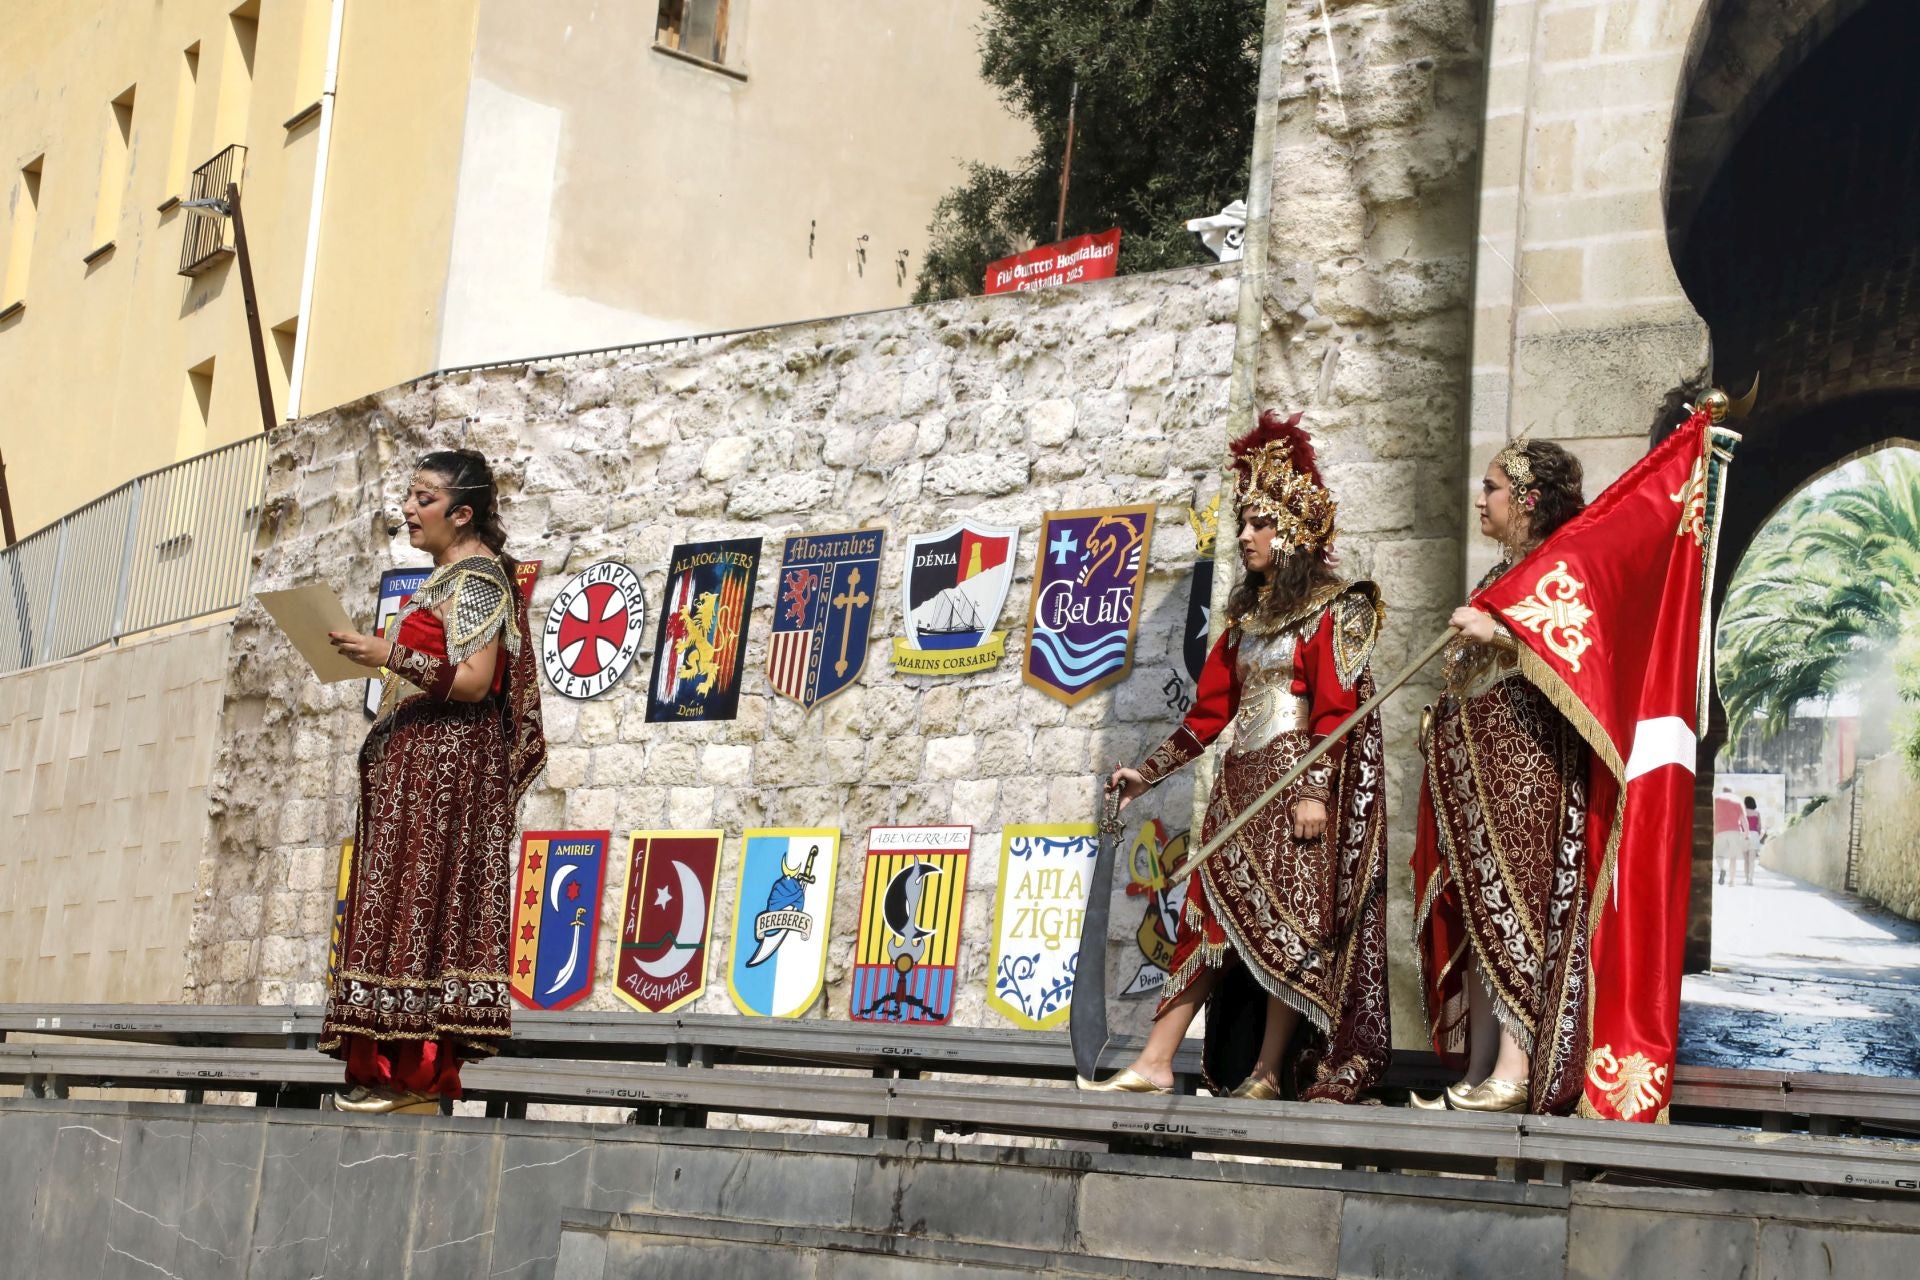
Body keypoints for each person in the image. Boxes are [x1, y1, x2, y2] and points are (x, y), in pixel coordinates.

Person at [1092, 410, 1390, 1102]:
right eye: (1244, 523)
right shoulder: (1246, 622)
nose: (1247, 536)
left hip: (1292, 790)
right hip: (1237, 789)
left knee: (1287, 927)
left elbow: (1336, 711)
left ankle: (1267, 1069)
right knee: (1207, 917)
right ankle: (1158, 1058)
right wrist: (1147, 773)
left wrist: (1315, 790)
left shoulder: (1333, 609)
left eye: (1261, 523)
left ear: (1293, 532)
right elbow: (1206, 716)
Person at [320, 449, 546, 1113]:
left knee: (424, 908)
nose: (409, 511)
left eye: (424, 499)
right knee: (398, 907)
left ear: (462, 512)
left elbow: (475, 681)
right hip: (416, 771)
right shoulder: (446, 578)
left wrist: (385, 653)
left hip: (446, 775)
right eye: (410, 497)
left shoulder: (476, 580)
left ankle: (411, 1071)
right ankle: (385, 1065)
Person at [1410, 437, 1590, 1115]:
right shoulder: (1493, 579)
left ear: (1529, 499)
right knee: (1481, 918)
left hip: (1531, 771)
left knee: (1518, 913)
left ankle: (1517, 1068)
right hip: (1475, 767)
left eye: (1492, 487)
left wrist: (1501, 637)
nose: (1481, 499)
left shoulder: (1558, 570)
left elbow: (1577, 664)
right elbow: (1461, 673)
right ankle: (1480, 1067)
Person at [1713, 786, 1745, 886]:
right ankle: (1731, 881)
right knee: (1733, 857)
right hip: (1735, 831)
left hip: (1720, 830)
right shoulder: (1737, 800)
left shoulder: (1716, 800)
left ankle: (1722, 868)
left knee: (1719, 855)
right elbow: (1743, 818)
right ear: (1732, 792)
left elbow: (1712, 815)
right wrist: (1747, 832)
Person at [1742, 795, 1763, 886]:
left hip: (1744, 835)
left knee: (1746, 860)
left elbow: (1740, 825)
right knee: (1752, 860)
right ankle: (1751, 879)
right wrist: (1758, 834)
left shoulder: (1742, 812)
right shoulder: (1757, 813)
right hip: (1754, 835)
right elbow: (1759, 827)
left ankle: (1746, 878)